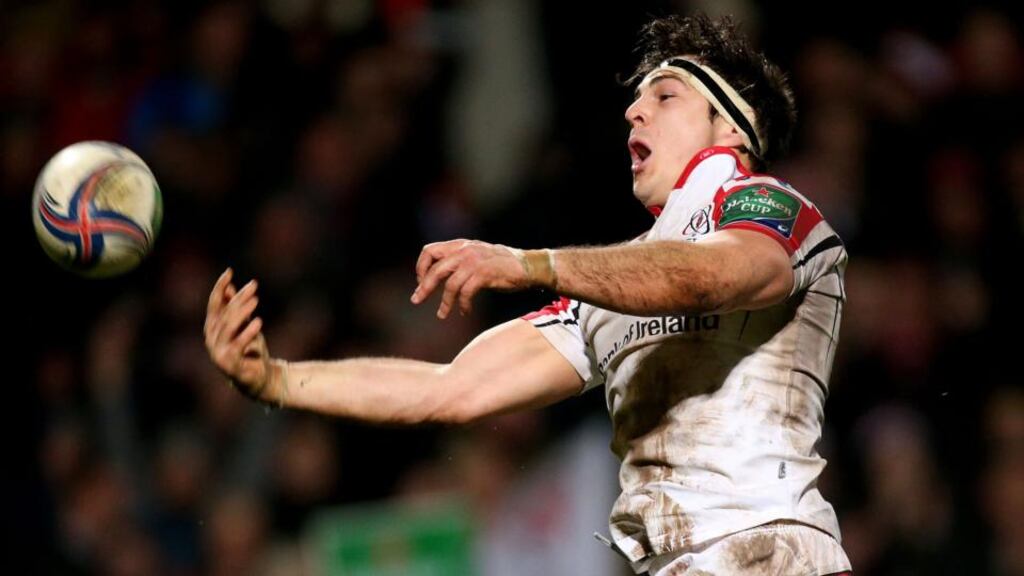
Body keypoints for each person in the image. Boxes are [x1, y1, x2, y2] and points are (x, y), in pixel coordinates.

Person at [204, 13, 852, 576]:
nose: (635, 111)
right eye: (636, 99)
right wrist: (279, 380)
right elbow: (449, 390)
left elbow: (704, 277)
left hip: (772, 553)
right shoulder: (610, 290)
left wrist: (529, 264)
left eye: (665, 94)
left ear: (732, 127)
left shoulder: (772, 208)